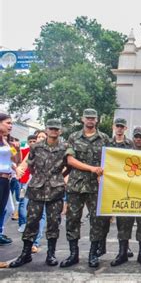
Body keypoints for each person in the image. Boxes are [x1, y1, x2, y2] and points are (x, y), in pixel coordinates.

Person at [9, 119, 67, 268]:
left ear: (60, 131)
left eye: (56, 129)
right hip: (37, 189)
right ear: (46, 130)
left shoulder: (65, 147)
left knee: (53, 223)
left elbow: (70, 165)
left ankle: (51, 254)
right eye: (51, 128)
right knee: (31, 222)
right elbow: (30, 163)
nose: (54, 131)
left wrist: (61, 177)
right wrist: (30, 173)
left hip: (56, 190)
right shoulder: (36, 147)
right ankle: (26, 253)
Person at [60, 108, 109, 268]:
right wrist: (92, 168)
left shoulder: (104, 138)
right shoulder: (74, 137)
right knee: (72, 220)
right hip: (76, 185)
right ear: (82, 119)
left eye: (93, 118)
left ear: (97, 120)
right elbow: (70, 160)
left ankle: (93, 254)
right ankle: (73, 254)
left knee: (97, 221)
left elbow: (111, 160)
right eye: (87, 118)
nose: (90, 120)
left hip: (96, 187)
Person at [111, 126, 141, 266]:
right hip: (126, 194)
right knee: (123, 225)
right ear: (133, 138)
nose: (138, 139)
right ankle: (122, 253)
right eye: (136, 137)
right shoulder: (125, 153)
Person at [109, 118, 135, 263]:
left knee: (126, 219)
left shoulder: (130, 144)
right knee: (116, 220)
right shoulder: (107, 144)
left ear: (125, 128)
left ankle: (124, 250)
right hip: (112, 185)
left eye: (122, 127)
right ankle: (120, 249)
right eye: (117, 126)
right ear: (114, 127)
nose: (119, 129)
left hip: (127, 185)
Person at [0, 113, 15, 246]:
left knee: (5, 209)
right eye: (8, 122)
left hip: (6, 180)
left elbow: (15, 158)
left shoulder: (6, 141)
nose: (10, 125)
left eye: (11, 123)